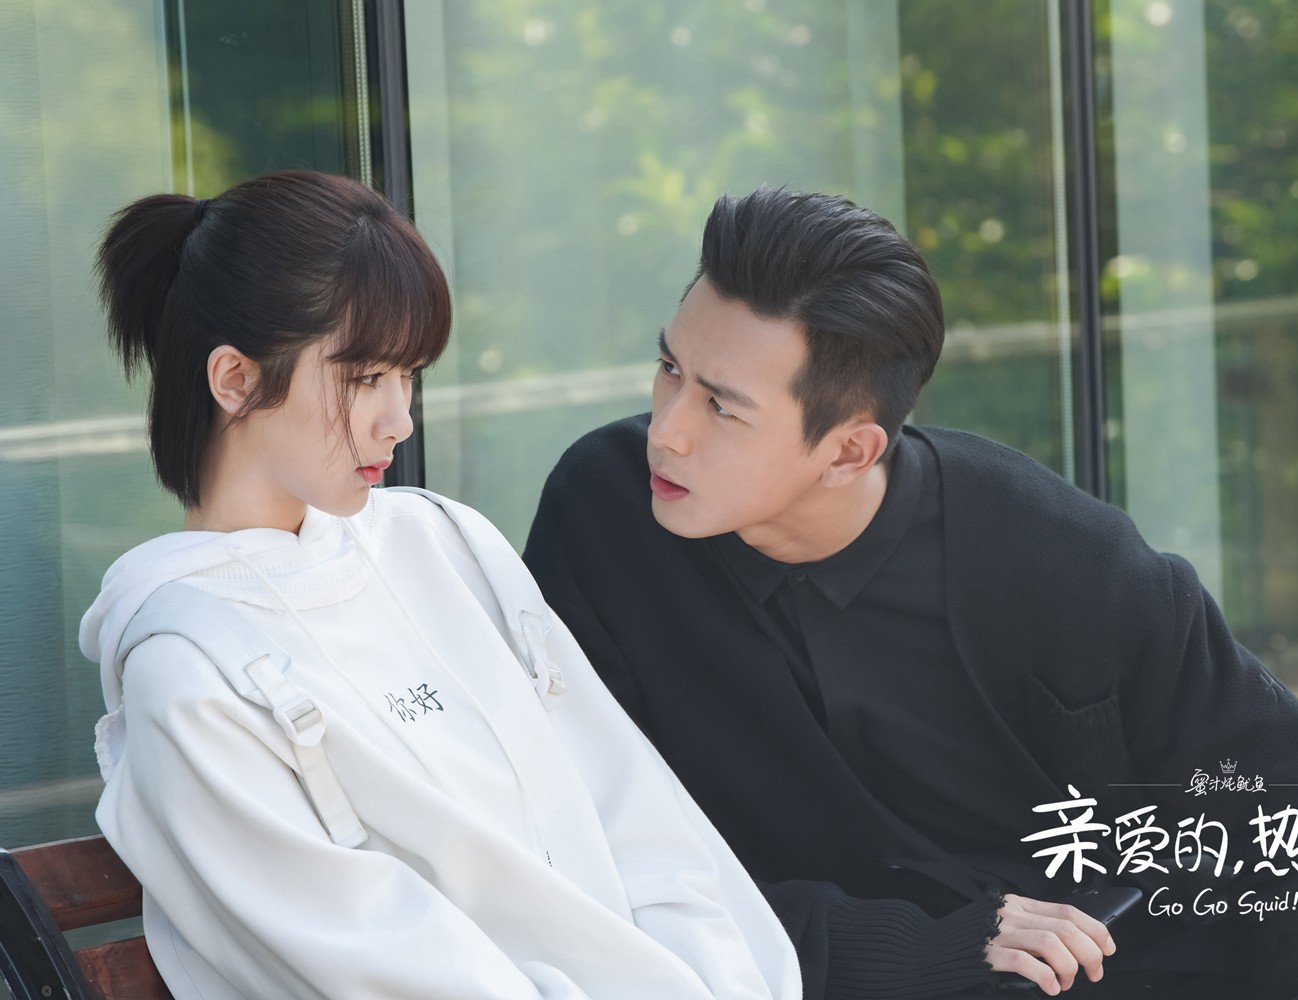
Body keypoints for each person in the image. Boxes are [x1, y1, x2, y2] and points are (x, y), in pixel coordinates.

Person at [522, 187, 1298, 999]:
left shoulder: (1053, 557)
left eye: (721, 406)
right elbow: (576, 853)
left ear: (850, 451)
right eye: (669, 367)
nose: (667, 430)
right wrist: (904, 949)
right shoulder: (604, 517)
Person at [79, 170, 801, 1000]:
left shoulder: (442, 540)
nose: (400, 420)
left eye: (408, 375)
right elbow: (376, 959)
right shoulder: (188, 673)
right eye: (363, 378)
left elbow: (636, 811)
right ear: (236, 380)